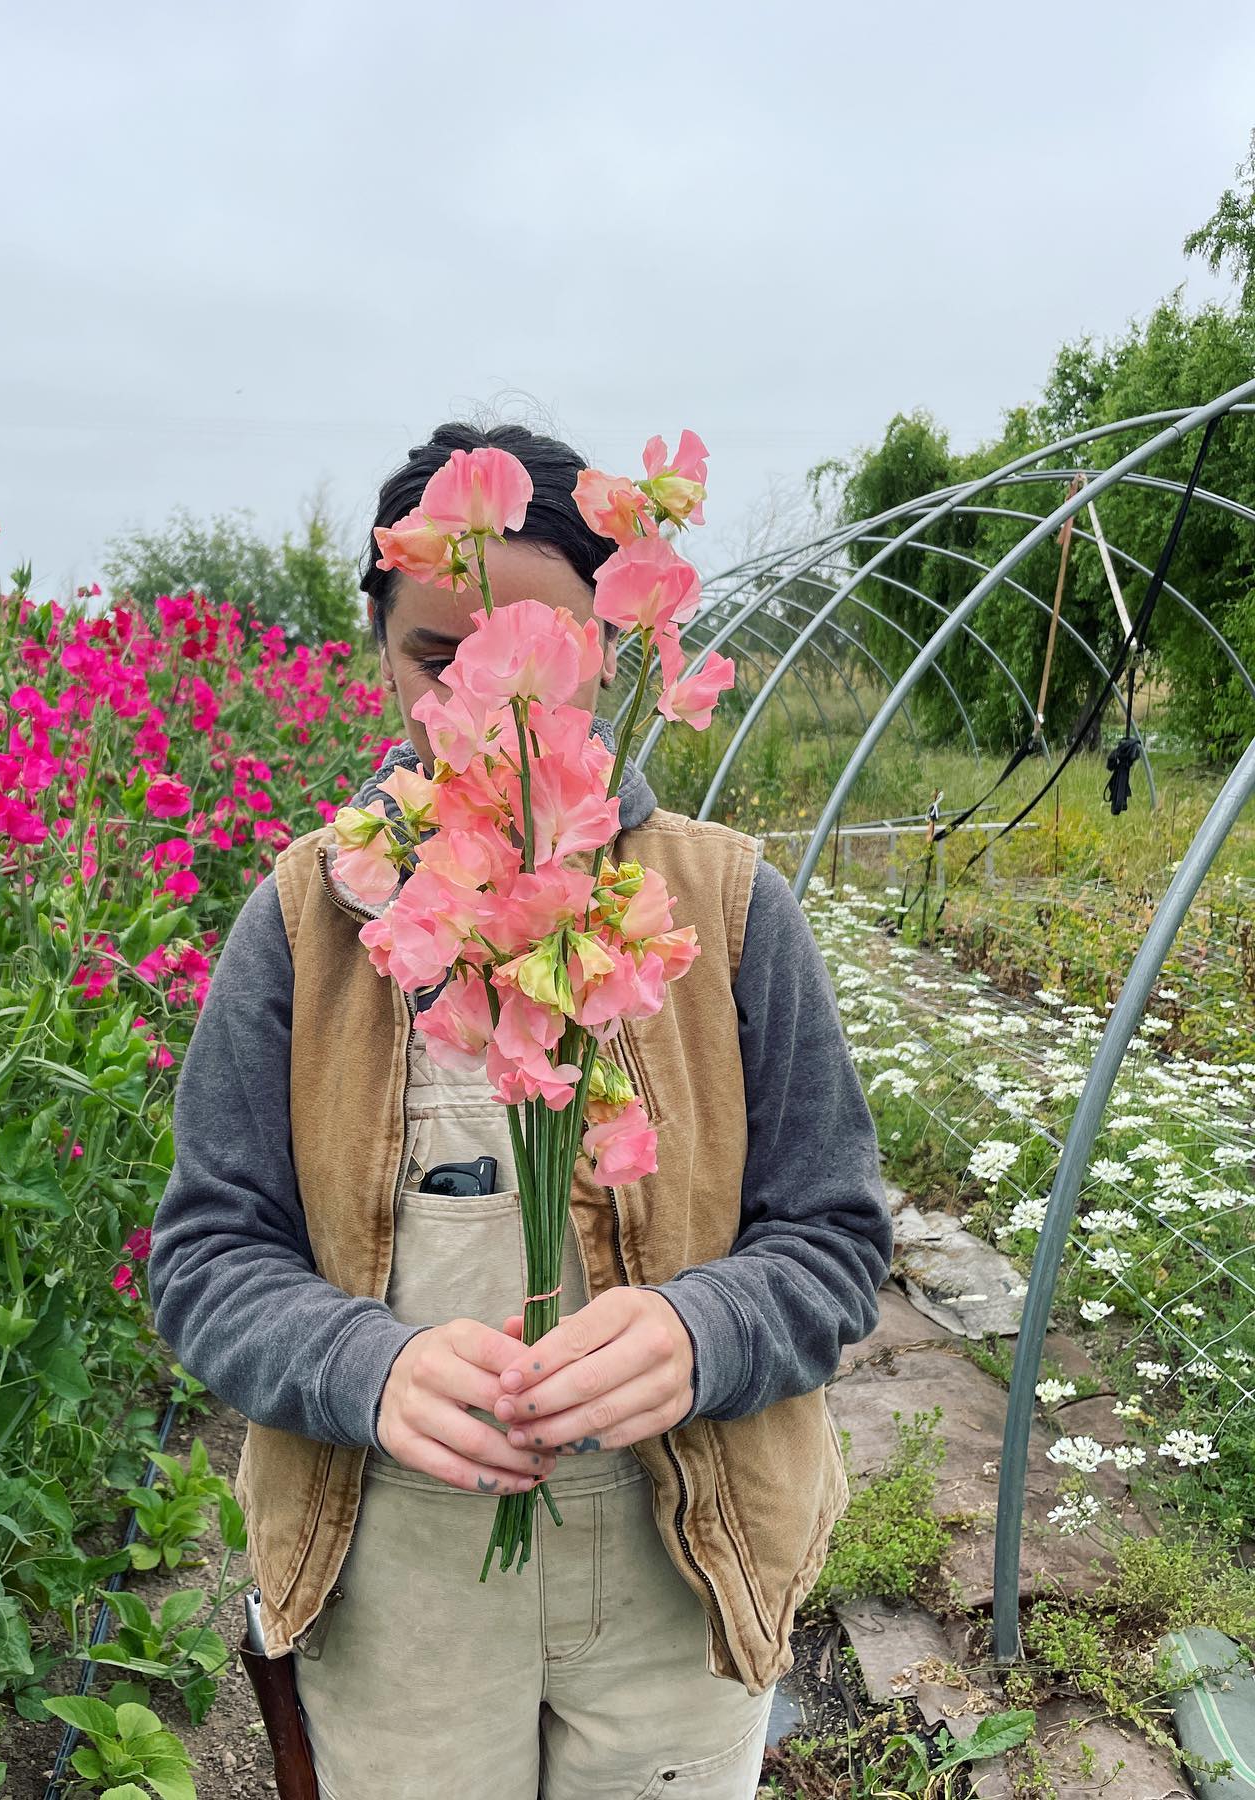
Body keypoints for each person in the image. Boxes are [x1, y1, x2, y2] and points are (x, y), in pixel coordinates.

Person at [148, 420, 894, 1799]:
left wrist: (700, 1326)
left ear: (613, 641)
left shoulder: (728, 909)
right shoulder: (309, 916)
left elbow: (838, 1244)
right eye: (442, 655)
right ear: (382, 650)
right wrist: (363, 1365)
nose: (492, 696)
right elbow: (204, 1259)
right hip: (400, 1560)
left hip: (680, 1548)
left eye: (540, 650)